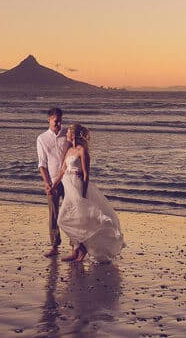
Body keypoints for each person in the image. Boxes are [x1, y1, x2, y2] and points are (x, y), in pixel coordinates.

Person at [52, 123, 125, 263]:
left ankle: (81, 250)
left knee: (82, 219)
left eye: (68, 132)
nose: (66, 134)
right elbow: (62, 171)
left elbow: (86, 175)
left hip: (78, 188)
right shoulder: (69, 151)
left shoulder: (82, 151)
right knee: (64, 219)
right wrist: (53, 185)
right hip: (68, 189)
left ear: (73, 134)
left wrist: (83, 194)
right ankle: (79, 248)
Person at [36, 107, 71, 257]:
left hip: (69, 180)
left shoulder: (67, 135)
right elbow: (42, 164)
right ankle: (55, 246)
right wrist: (47, 183)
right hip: (52, 180)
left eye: (60, 120)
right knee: (54, 214)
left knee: (71, 212)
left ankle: (74, 245)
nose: (58, 123)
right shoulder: (42, 139)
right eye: (56, 121)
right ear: (49, 119)